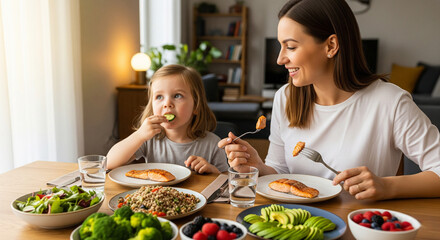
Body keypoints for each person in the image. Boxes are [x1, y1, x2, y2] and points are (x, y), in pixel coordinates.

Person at [218, 0, 440, 200]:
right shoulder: (285, 97)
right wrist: (259, 167)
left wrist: (387, 186)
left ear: (331, 46)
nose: (280, 59)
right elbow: (283, 172)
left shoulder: (390, 102)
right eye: (281, 46)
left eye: (291, 46)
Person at [107, 64, 229, 174]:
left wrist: (212, 171)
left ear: (196, 106)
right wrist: (139, 135)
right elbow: (109, 162)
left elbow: (225, 182)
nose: (167, 103)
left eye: (177, 96)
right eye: (159, 97)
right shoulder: (149, 139)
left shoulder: (213, 144)